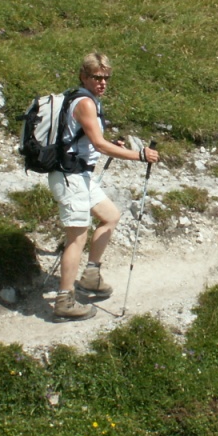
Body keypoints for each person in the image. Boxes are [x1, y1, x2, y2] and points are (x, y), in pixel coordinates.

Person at [48, 52, 160, 321]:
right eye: (96, 77)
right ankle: (64, 301)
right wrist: (139, 155)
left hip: (79, 176)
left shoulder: (83, 98)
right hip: (69, 177)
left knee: (110, 216)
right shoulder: (85, 103)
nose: (102, 82)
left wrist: (113, 147)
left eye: (106, 77)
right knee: (76, 236)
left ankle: (90, 276)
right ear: (83, 76)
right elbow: (98, 144)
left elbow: (88, 139)